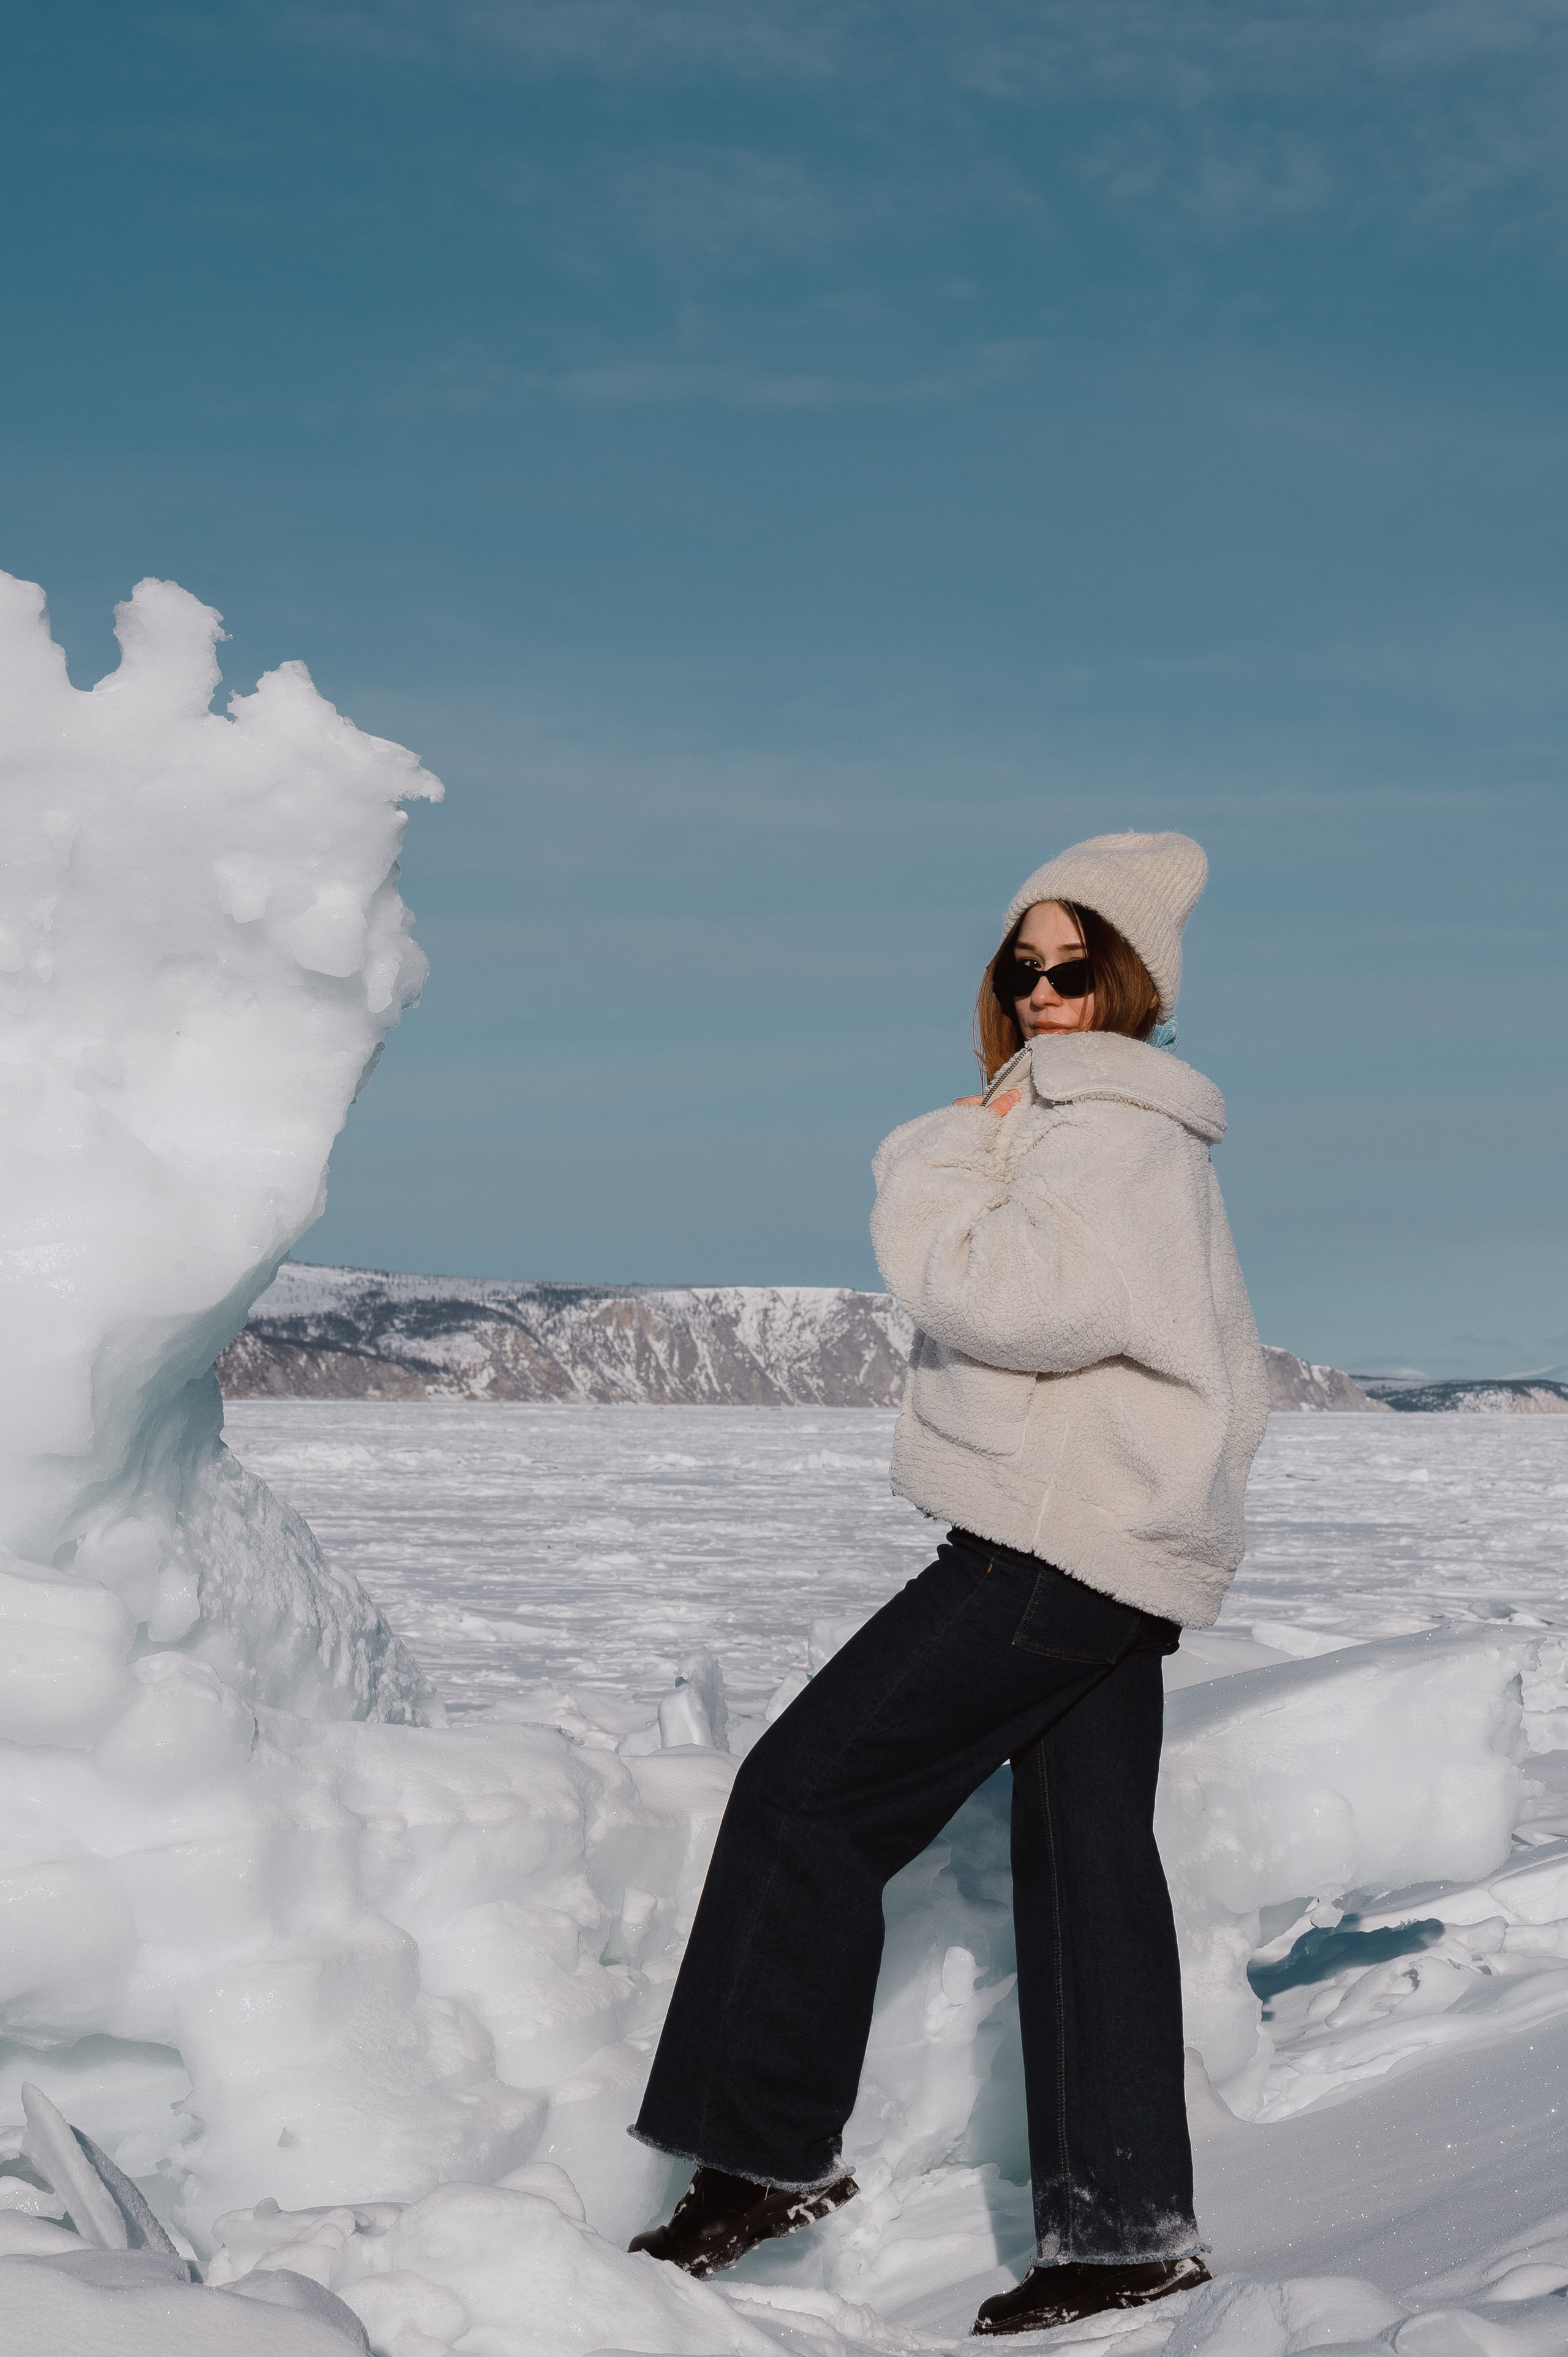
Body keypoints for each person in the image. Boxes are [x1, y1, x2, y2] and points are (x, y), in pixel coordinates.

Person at [625, 831, 1270, 2337]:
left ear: (1129, 984)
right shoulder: (1118, 1125)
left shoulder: (1100, 1123)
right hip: (1116, 1545)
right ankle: (1122, 2235)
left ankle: (760, 2158)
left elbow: (1013, 1301)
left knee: (802, 1797)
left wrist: (936, 1153)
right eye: (1019, 965)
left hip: (1050, 1541)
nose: (1041, 990)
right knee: (1087, 1875)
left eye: (1073, 966)